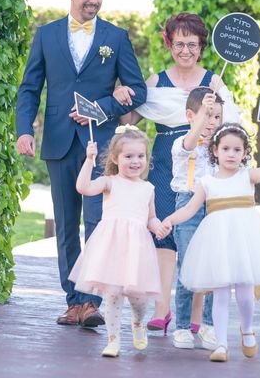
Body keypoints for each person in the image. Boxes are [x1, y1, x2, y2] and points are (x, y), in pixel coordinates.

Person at [15, 0, 147, 327]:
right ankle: (72, 300)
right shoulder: (46, 35)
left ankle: (91, 302)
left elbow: (138, 90)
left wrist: (104, 106)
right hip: (58, 143)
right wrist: (24, 130)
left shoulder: (116, 37)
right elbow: (30, 88)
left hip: (101, 148)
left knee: (97, 223)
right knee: (66, 225)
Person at [113, 12, 238, 333]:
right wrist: (120, 95)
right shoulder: (156, 82)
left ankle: (196, 315)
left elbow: (231, 124)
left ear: (201, 47)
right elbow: (130, 120)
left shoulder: (214, 81)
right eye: (179, 44)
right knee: (163, 233)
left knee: (199, 237)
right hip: (165, 163)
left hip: (203, 166)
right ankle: (162, 308)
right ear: (169, 44)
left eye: (192, 45)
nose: (185, 51)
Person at [160, 122, 260, 362]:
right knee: (220, 294)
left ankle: (247, 327)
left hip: (244, 239)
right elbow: (189, 209)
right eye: (226, 149)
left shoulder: (246, 175)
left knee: (244, 293)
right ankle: (221, 344)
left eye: (237, 150)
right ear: (215, 151)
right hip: (218, 241)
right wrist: (169, 219)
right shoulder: (207, 182)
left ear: (244, 154)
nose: (231, 154)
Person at [69, 125, 165, 357]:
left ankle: (138, 322)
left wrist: (159, 226)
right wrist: (89, 160)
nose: (135, 161)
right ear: (115, 157)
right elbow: (83, 187)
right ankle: (113, 340)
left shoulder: (148, 188)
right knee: (112, 294)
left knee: (139, 299)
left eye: (140, 156)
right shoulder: (109, 182)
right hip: (111, 247)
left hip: (137, 249)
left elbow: (150, 217)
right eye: (129, 156)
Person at [168, 87, 224, 351]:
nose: (211, 122)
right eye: (206, 115)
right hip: (188, 205)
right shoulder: (182, 143)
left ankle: (209, 325)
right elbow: (190, 144)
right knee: (187, 266)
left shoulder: (222, 147)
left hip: (216, 207)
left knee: (215, 268)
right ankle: (181, 328)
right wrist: (203, 114)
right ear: (190, 115)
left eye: (216, 117)